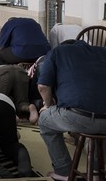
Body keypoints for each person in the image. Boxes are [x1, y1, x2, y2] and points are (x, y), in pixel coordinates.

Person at [37, 40, 106, 181]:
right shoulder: (103, 52)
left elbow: (43, 86)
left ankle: (63, 172)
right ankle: (97, 171)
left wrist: (48, 105)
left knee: (44, 120)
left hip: (79, 116)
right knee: (100, 126)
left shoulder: (57, 52)